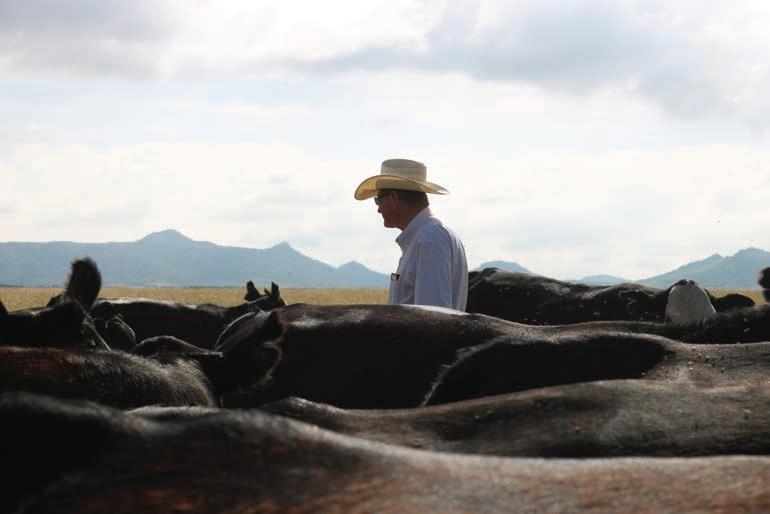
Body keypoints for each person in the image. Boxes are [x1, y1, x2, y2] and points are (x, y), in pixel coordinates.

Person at [354, 158, 468, 310]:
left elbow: (432, 317)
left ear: (393, 198)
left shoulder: (429, 240)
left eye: (378, 200)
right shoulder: (429, 236)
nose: (378, 209)